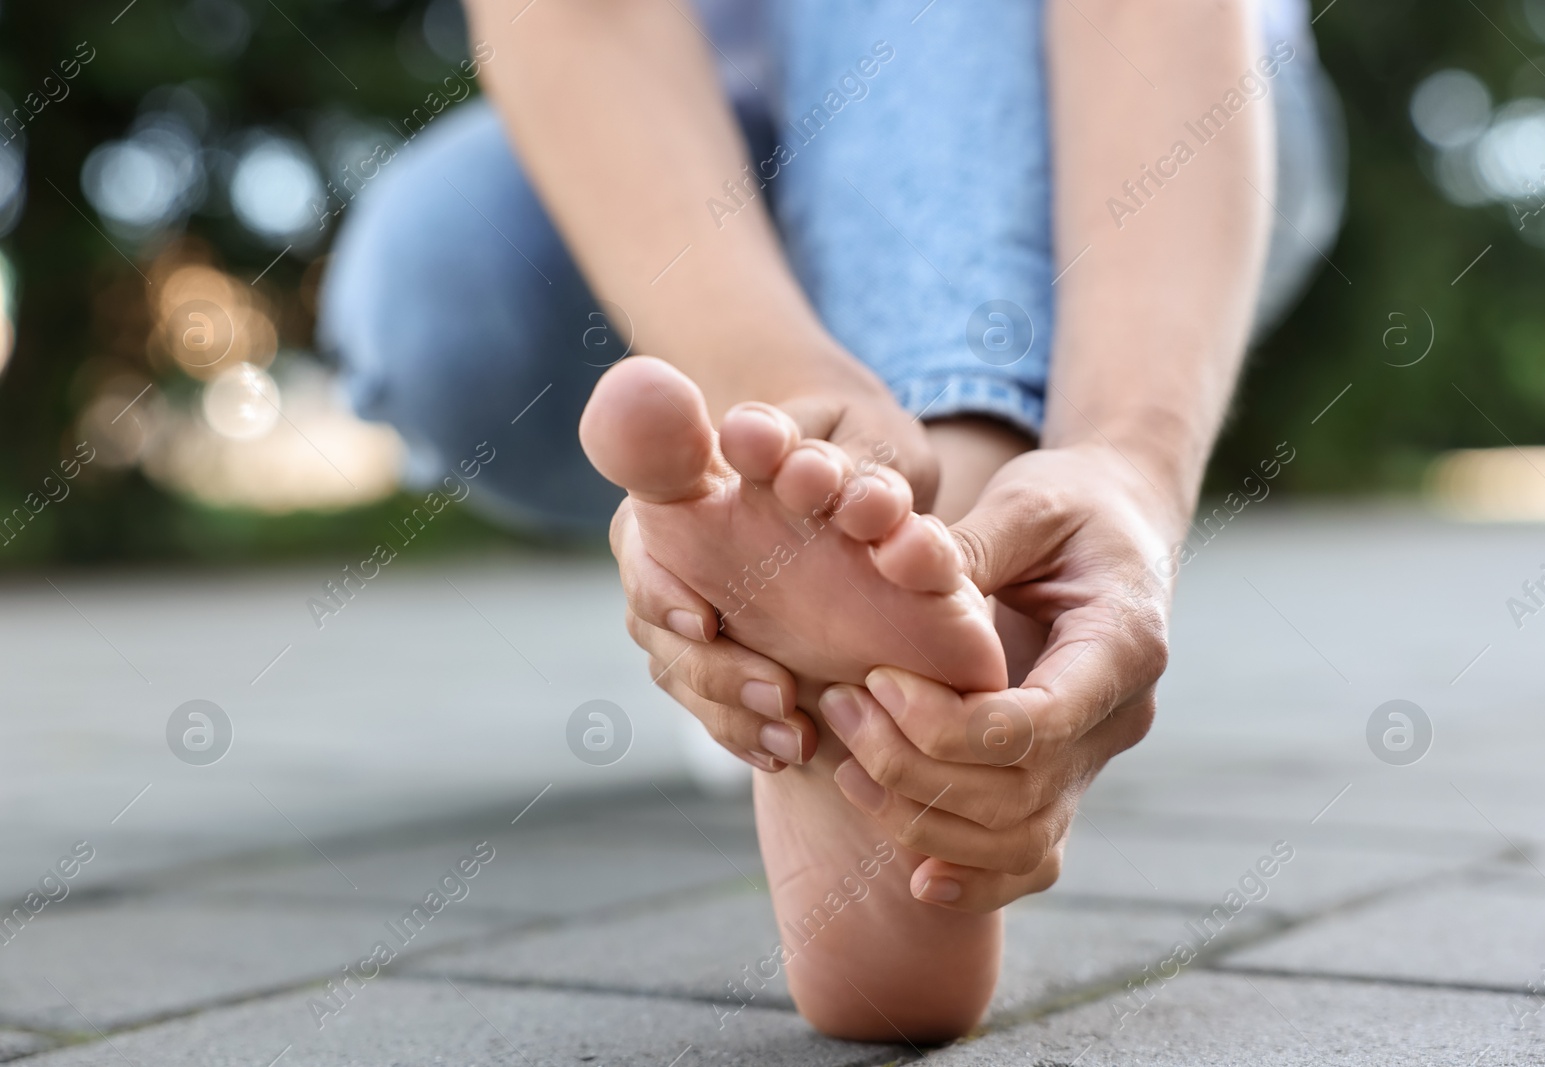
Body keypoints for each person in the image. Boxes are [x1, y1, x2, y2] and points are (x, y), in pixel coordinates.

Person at [319, 0, 1344, 1042]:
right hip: (700, 153)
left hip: (1155, 145)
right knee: (441, 278)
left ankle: (941, 529)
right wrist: (776, 397)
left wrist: (1127, 451)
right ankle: (859, 582)